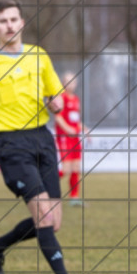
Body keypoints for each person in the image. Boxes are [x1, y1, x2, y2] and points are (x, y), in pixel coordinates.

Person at [0, 0, 90, 274]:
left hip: (43, 140)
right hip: (11, 144)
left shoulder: (38, 56)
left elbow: (54, 93)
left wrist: (55, 102)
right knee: (44, 217)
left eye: (13, 19)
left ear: (22, 22)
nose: (9, 25)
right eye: (2, 21)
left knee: (53, 221)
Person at [54, 71, 84, 205]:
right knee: (65, 169)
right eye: (68, 81)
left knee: (76, 167)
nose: (71, 84)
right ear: (63, 83)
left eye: (73, 81)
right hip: (64, 137)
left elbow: (76, 119)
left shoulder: (76, 99)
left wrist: (85, 129)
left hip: (75, 137)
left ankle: (74, 197)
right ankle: (44, 184)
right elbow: (58, 117)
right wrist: (67, 129)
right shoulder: (61, 98)